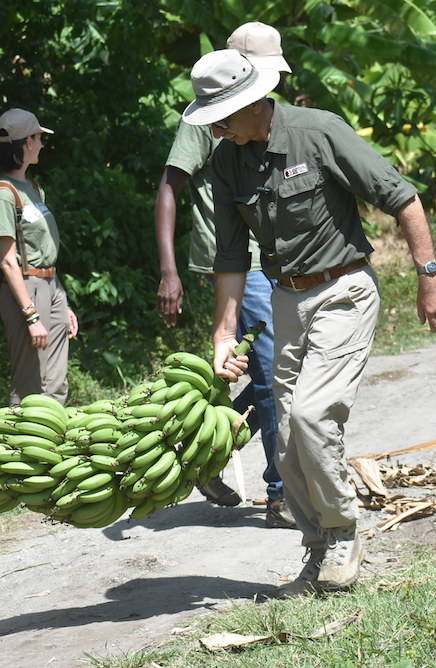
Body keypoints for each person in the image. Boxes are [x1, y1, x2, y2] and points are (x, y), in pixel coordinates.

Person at [182, 50, 436, 595]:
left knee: (311, 416)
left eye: (224, 116)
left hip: (343, 290)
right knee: (284, 436)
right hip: (287, 299)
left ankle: (343, 533)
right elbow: (232, 259)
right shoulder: (225, 162)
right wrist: (222, 333)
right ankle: (318, 548)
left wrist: (430, 275)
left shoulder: (318, 132)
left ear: (255, 102)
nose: (216, 127)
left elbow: (402, 197)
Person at [154, 22, 296, 528]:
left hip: (277, 257)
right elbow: (171, 185)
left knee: (277, 375)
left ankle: (206, 452)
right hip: (238, 263)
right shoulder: (208, 116)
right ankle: (281, 494)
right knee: (276, 377)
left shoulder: (269, 116)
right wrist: (169, 270)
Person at [0, 108, 78, 404]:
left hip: (50, 286)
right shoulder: (4, 193)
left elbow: (46, 251)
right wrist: (31, 315)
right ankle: (20, 445)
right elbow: (7, 260)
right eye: (39, 138)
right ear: (26, 142)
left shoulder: (34, 188)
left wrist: (61, 300)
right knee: (30, 383)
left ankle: (52, 446)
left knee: (56, 382)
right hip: (25, 289)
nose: (42, 144)